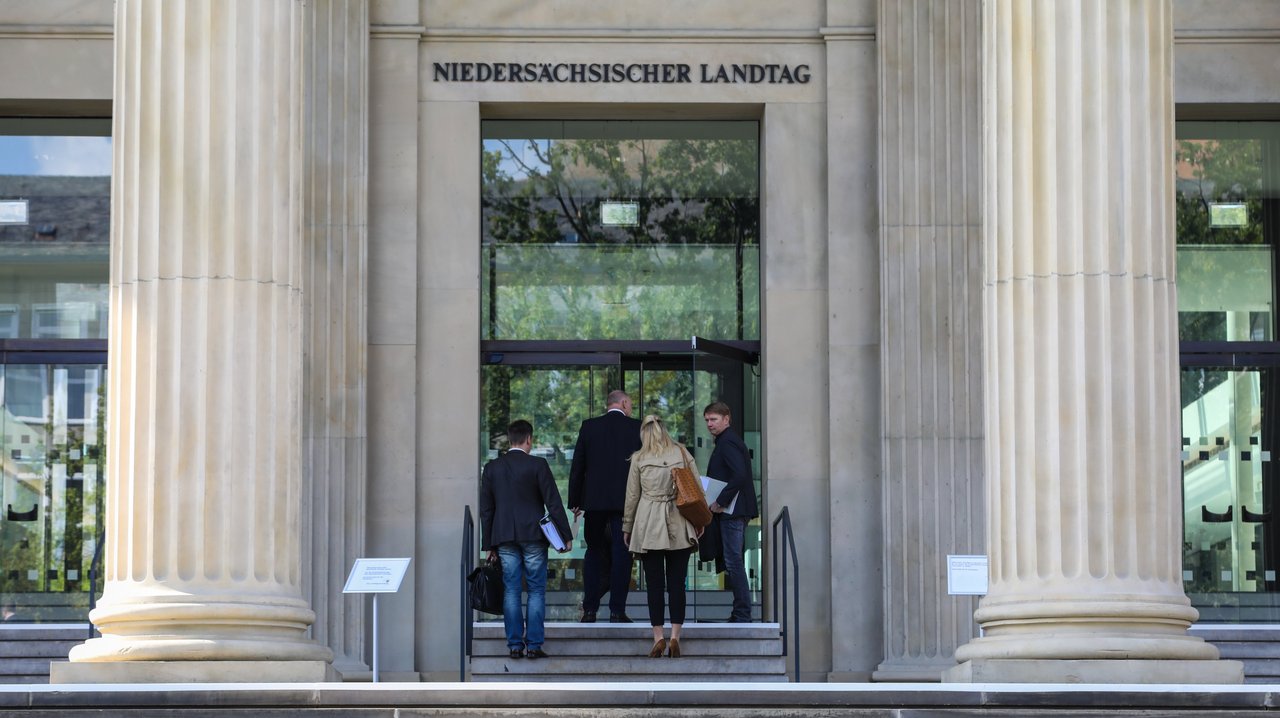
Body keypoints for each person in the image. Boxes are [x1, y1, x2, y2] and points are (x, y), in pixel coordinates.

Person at [479, 419, 573, 659]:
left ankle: (514, 646)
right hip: (534, 535)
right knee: (536, 590)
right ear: (529, 439)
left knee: (511, 590)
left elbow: (486, 510)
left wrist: (488, 544)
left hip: (504, 537)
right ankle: (533, 645)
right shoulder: (538, 465)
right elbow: (553, 502)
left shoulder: (492, 468)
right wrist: (565, 536)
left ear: (510, 440)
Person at [622, 415, 705, 658]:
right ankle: (676, 636)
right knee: (678, 583)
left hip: (649, 523)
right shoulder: (681, 452)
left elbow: (632, 496)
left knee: (655, 585)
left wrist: (627, 526)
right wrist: (699, 519)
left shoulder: (639, 458)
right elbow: (697, 487)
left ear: (644, 434)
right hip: (680, 519)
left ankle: (658, 636)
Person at [567, 389, 642, 623]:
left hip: (595, 504)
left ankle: (589, 609)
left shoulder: (589, 427)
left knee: (594, 553)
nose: (630, 408)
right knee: (622, 555)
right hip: (625, 504)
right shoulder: (636, 427)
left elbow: (578, 466)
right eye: (629, 404)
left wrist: (575, 501)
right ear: (624, 403)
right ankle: (617, 611)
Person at [704, 401, 758, 623]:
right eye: (707, 420)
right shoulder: (727, 441)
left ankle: (742, 612)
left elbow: (740, 475)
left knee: (733, 560)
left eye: (713, 419)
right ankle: (740, 611)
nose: (709, 424)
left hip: (733, 511)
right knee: (732, 560)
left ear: (727, 419)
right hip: (735, 510)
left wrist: (720, 502)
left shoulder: (727, 443)